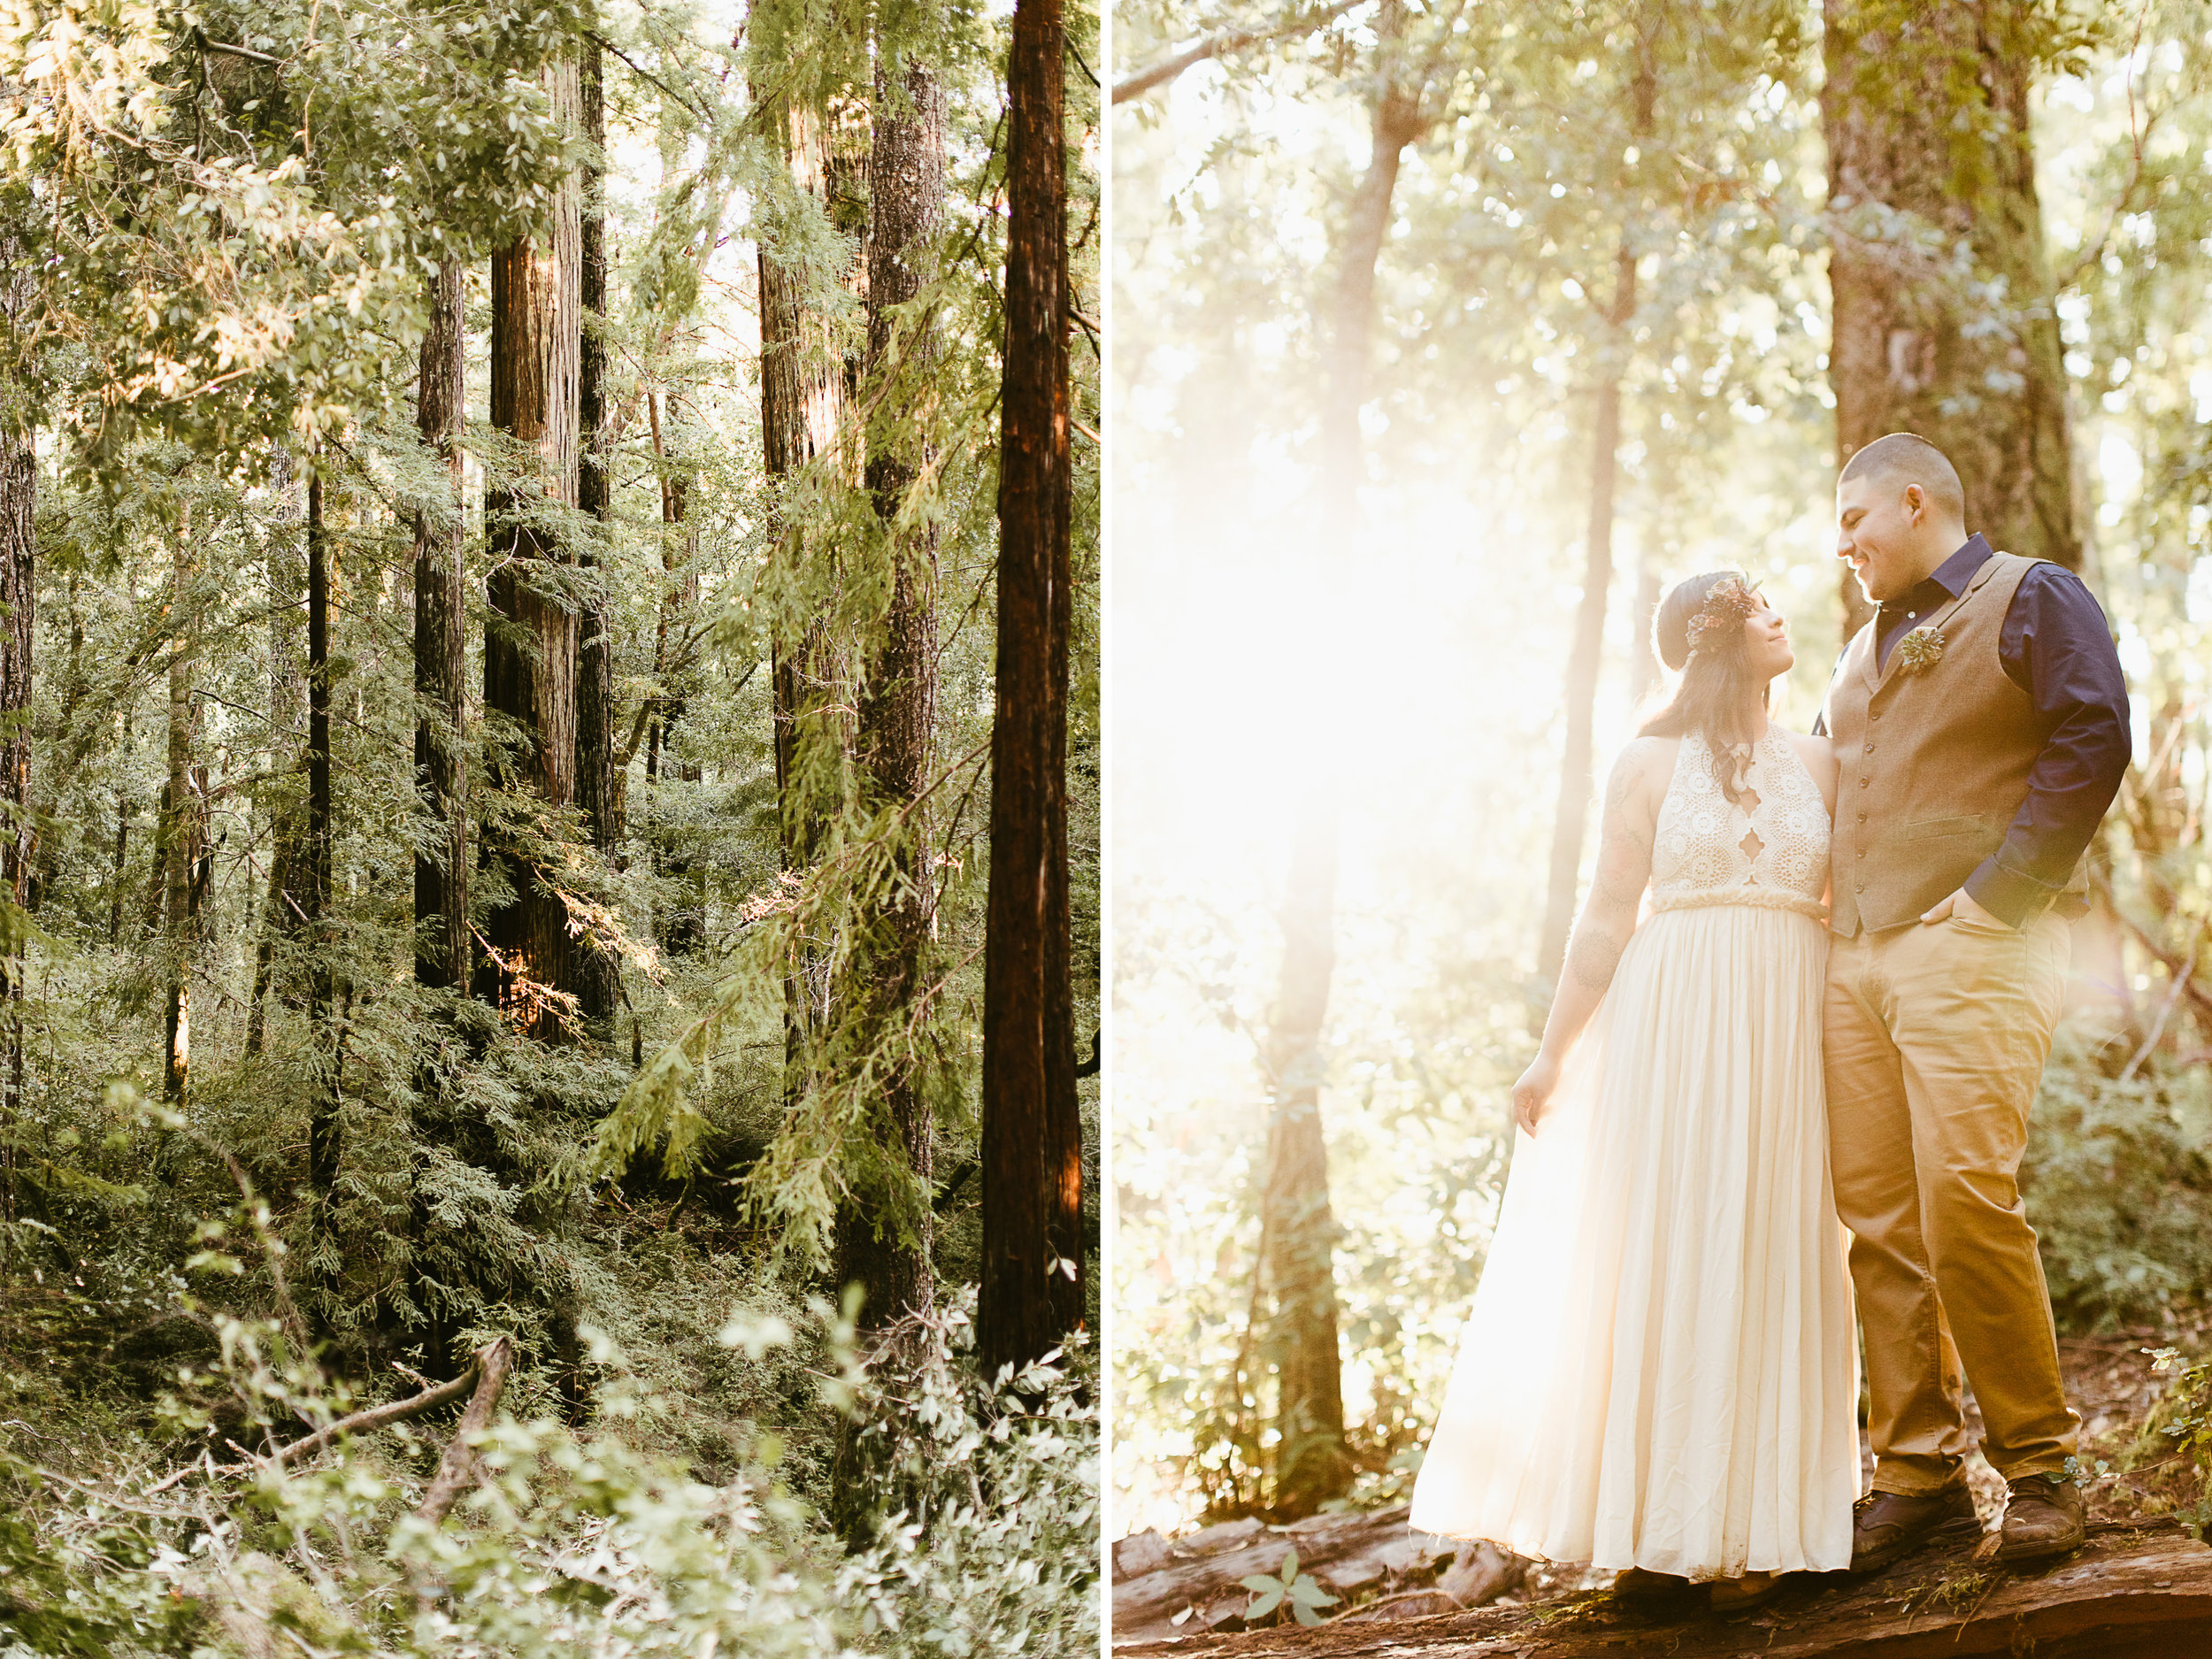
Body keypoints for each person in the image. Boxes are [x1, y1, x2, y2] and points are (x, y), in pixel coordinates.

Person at [1409, 572, 1857, 1611]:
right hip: (1671, 1027)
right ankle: (1658, 1542)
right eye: (1755, 608)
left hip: (1790, 1024)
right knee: (1672, 1250)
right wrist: (1550, 1053)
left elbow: (1849, 911)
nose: (1777, 615)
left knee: (1781, 1248)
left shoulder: (1825, 763)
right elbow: (1606, 918)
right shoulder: (1647, 764)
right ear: (1711, 639)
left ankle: (1784, 1526)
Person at [1819, 434, 2130, 1570]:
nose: (1842, 544)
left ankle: (2041, 1469)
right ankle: (1916, 1476)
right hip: (1852, 960)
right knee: (1878, 1223)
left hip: (1975, 946)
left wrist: (2003, 897)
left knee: (1963, 1202)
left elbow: (2095, 731)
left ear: (1914, 501)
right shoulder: (1857, 649)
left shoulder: (2030, 593)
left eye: (1853, 519)